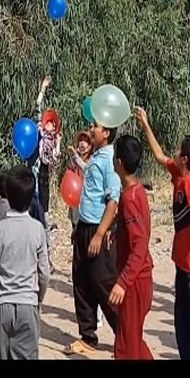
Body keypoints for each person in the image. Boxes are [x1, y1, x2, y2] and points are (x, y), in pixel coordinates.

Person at [136, 106, 190, 360]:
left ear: (185, 159)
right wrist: (146, 124)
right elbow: (160, 155)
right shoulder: (178, 173)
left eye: (179, 151)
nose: (175, 153)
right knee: (182, 317)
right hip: (181, 261)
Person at [65, 119, 121, 356]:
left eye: (95, 127)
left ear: (106, 133)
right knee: (81, 280)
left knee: (103, 283)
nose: (91, 130)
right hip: (84, 227)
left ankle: (125, 334)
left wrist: (100, 233)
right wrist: (79, 228)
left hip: (98, 229)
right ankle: (88, 335)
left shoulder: (110, 161)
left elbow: (113, 200)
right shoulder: (97, 157)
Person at [0, 165, 50, 360]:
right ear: (31, 198)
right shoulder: (37, 229)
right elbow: (44, 273)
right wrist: (38, 300)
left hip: (3, 306)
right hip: (28, 305)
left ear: (7, 196)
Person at [108, 134, 154, 360]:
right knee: (133, 341)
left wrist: (123, 283)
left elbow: (140, 244)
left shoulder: (130, 198)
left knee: (125, 348)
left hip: (135, 282)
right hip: (139, 278)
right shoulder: (137, 192)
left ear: (118, 162)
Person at [36, 76, 62, 224]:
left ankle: (44, 222)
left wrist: (58, 143)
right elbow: (37, 107)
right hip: (36, 168)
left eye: (53, 123)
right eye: (48, 122)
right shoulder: (40, 132)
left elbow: (55, 160)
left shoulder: (54, 140)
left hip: (45, 172)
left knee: (44, 198)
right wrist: (43, 88)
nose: (49, 124)